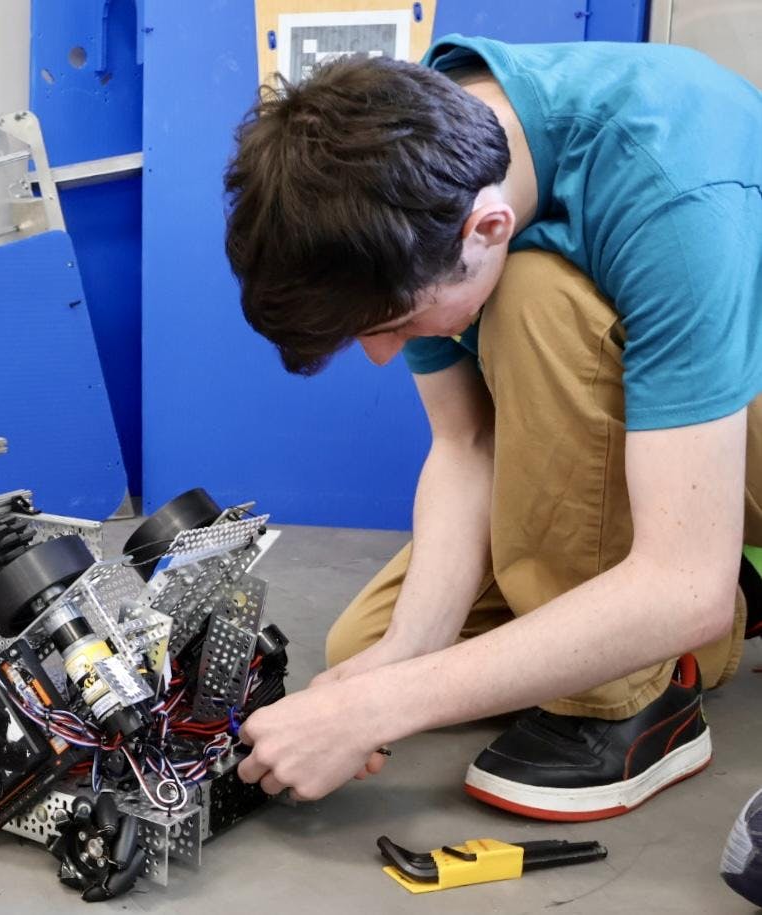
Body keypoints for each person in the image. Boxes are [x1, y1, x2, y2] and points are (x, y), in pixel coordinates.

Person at [224, 35, 762, 820]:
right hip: (681, 448)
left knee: (533, 295)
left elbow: (687, 584)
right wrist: (398, 666)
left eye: (395, 322)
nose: (379, 354)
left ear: (488, 226)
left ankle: (630, 704)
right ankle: (714, 596)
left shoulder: (672, 191)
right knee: (364, 652)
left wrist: (380, 711)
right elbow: (465, 445)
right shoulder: (411, 171)